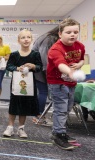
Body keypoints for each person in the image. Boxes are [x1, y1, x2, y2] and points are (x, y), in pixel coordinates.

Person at [47, 18, 85, 150]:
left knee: (67, 108)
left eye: (75, 32)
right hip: (57, 83)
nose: (73, 35)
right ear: (60, 34)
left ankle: (58, 131)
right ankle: (59, 134)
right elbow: (60, 64)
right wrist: (69, 71)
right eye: (68, 32)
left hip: (71, 83)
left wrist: (79, 64)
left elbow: (82, 60)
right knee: (61, 109)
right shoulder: (55, 49)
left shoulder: (80, 46)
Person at [3, 29, 42, 138]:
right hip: (16, 83)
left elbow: (40, 67)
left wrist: (33, 66)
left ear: (31, 39)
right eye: (23, 37)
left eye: (28, 37)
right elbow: (8, 66)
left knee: (24, 105)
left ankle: (21, 128)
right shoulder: (14, 54)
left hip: (29, 84)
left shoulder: (35, 54)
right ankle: (10, 127)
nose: (26, 40)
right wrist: (17, 68)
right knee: (14, 103)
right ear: (18, 40)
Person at [32, 26, 59, 126]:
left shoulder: (46, 37)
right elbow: (44, 58)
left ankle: (38, 115)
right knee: (43, 92)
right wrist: (48, 73)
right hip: (41, 69)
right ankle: (39, 116)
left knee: (42, 92)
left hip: (40, 68)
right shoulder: (49, 39)